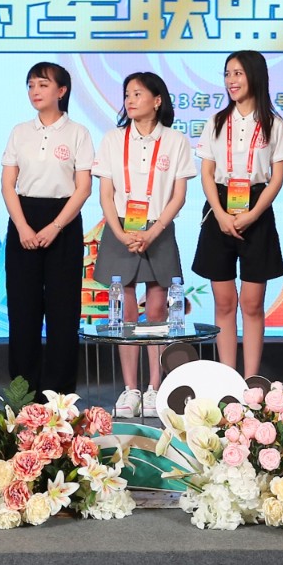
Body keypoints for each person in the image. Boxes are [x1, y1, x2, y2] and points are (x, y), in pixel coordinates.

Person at [93, 71, 196, 418]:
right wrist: (120, 232)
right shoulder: (112, 139)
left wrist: (154, 232)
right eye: (127, 94)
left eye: (138, 94)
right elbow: (105, 194)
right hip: (120, 228)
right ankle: (130, 389)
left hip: (159, 229)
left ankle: (154, 388)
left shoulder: (175, 140)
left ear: (157, 100)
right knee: (125, 313)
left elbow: (179, 195)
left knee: (156, 311)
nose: (130, 100)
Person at [192, 50, 283, 379]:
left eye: (238, 73)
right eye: (227, 74)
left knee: (252, 303)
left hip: (257, 209)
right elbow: (207, 172)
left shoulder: (274, 124)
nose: (231, 81)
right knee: (224, 302)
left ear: (255, 75)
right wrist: (220, 214)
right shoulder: (216, 122)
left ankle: (250, 381)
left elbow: (277, 177)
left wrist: (253, 214)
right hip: (219, 208)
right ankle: (227, 378)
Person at [1, 62, 95, 397]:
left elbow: (83, 188)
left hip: (63, 221)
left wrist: (56, 226)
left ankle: (59, 395)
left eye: (42, 85)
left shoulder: (78, 133)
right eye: (30, 85)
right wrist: (22, 227)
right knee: (22, 310)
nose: (35, 91)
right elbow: (8, 185)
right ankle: (23, 393)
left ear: (62, 91)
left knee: (62, 311)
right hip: (23, 219)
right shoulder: (19, 131)